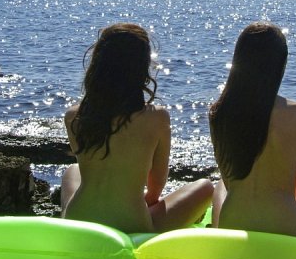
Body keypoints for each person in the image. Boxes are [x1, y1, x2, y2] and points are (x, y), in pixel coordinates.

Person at [60, 23, 213, 233]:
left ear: (97, 65)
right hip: (132, 227)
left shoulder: (73, 116)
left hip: (78, 220)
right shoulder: (157, 117)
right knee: (206, 187)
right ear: (142, 67)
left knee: (73, 170)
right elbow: (155, 189)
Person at [208, 22, 296, 245]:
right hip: (288, 232)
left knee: (221, 187)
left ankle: (217, 232)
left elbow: (228, 178)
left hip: (233, 227)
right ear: (280, 65)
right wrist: (289, 214)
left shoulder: (218, 112)